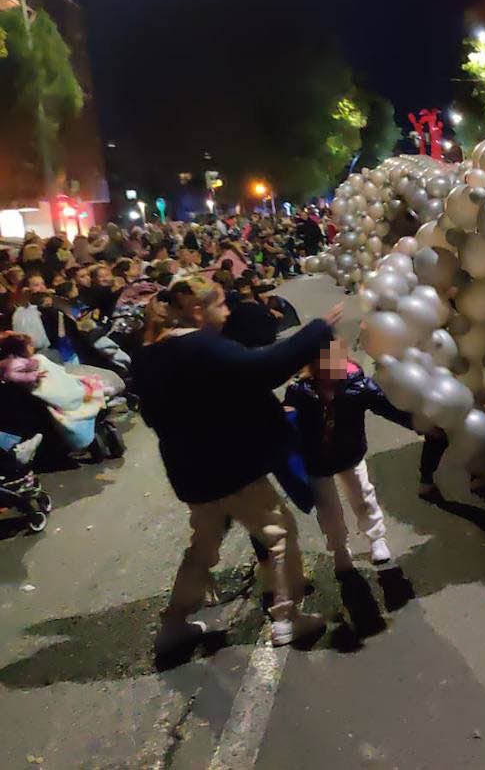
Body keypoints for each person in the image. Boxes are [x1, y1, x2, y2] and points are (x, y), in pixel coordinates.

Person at [132, 277, 343, 657]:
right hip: (228, 468)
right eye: (221, 304)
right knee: (279, 532)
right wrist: (318, 329)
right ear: (197, 308)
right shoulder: (200, 346)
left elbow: (153, 414)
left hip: (191, 473)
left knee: (203, 547)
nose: (228, 311)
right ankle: (287, 617)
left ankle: (174, 626)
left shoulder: (150, 353)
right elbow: (266, 366)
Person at [285, 340, 407, 571]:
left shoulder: (357, 385)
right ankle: (339, 548)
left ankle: (376, 537)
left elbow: (387, 407)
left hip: (349, 453)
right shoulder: (300, 391)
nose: (336, 365)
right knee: (328, 509)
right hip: (317, 460)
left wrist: (418, 423)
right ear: (316, 364)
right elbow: (288, 421)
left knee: (362, 495)